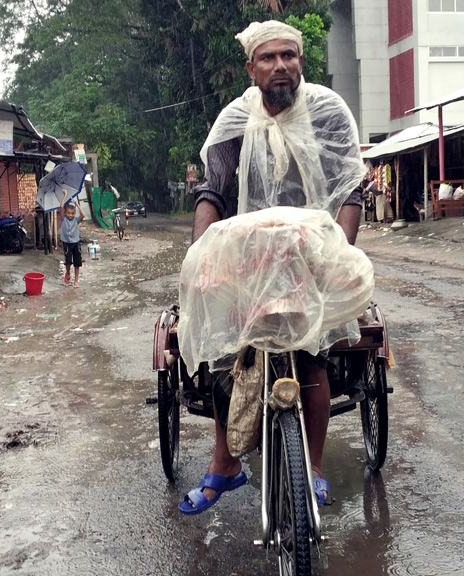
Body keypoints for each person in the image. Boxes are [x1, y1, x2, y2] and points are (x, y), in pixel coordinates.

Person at [180, 20, 365, 515]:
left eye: (290, 55)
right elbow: (213, 191)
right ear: (252, 68)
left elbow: (350, 190)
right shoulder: (233, 120)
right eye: (269, 57)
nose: (281, 65)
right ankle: (225, 465)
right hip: (250, 259)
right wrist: (202, 256)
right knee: (226, 357)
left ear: (300, 61)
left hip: (313, 256)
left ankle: (316, 467)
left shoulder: (328, 112)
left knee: (311, 358)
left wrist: (340, 256)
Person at [59, 188, 83, 288]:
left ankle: (76, 281)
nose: (70, 215)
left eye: (72, 213)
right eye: (68, 213)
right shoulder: (63, 218)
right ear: (65, 213)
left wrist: (77, 204)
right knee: (68, 261)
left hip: (76, 243)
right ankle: (68, 273)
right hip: (66, 243)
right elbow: (61, 206)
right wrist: (65, 195)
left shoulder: (76, 220)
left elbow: (83, 214)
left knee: (77, 263)